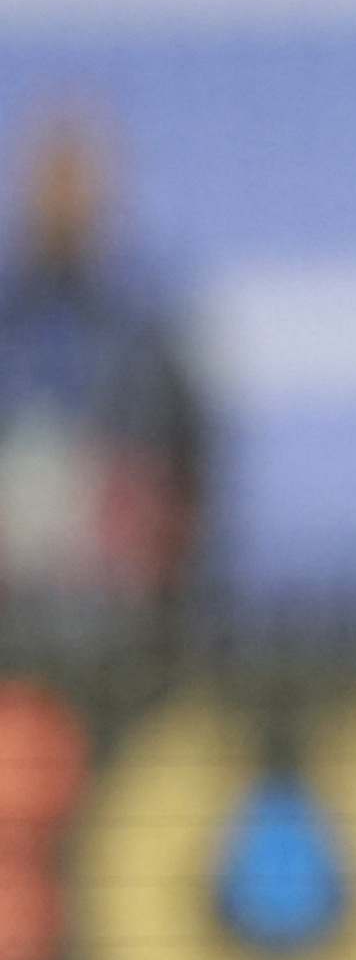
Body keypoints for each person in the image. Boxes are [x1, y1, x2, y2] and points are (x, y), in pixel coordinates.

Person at [0, 110, 211, 655]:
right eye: (52, 182)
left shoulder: (149, 331)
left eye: (78, 183)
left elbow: (196, 470)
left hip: (122, 612)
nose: (64, 201)